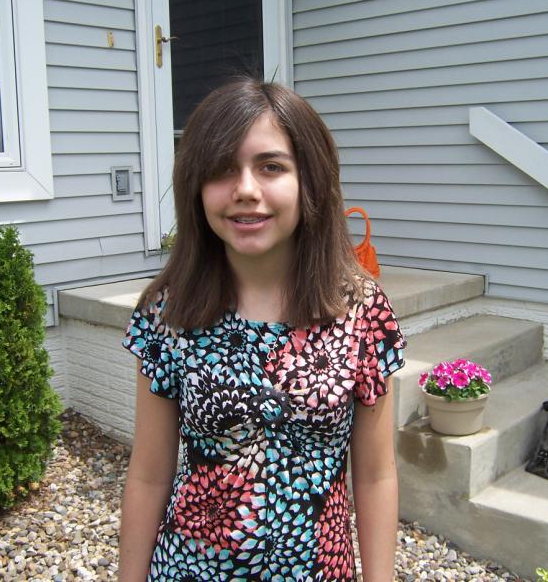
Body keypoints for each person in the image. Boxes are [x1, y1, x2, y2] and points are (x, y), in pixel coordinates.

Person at [119, 78, 405, 581]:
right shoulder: (170, 312)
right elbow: (147, 475)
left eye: (271, 167)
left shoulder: (361, 310)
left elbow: (376, 475)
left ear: (309, 180)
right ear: (196, 188)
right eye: (222, 169)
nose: (246, 190)